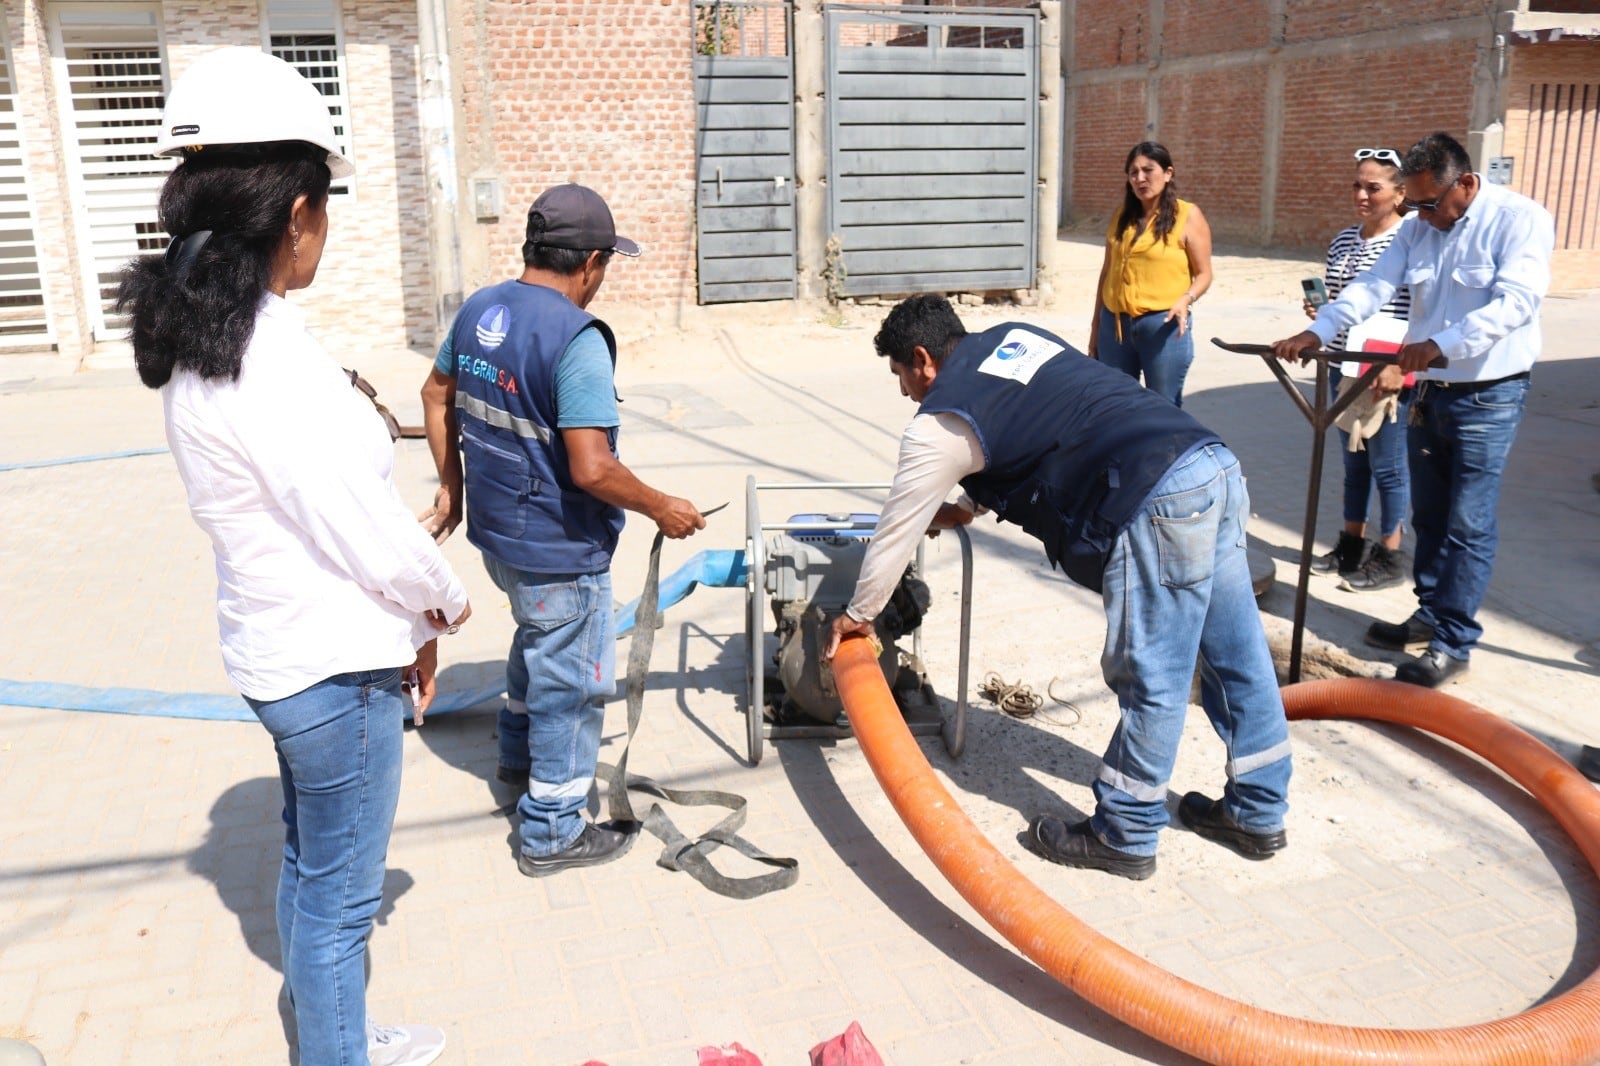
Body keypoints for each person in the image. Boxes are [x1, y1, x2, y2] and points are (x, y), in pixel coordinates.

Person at [120, 48, 468, 1066]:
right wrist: (441, 611)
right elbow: (361, 530)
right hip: (332, 670)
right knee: (340, 902)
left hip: (282, 655)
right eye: (325, 211)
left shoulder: (214, 339)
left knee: (310, 865)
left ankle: (342, 1037)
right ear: (299, 212)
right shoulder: (266, 364)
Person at [826, 295, 1292, 881]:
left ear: (922, 359)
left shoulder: (939, 422)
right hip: (1211, 466)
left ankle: (1125, 832)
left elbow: (895, 528)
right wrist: (966, 504)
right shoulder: (1017, 337)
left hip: (1155, 501)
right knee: (1237, 655)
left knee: (1154, 673)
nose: (903, 393)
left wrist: (858, 613)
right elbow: (1054, 418)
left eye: (900, 375)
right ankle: (1258, 809)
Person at [420, 184, 705, 878]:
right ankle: (551, 830)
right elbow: (591, 467)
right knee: (572, 685)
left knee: (537, 637)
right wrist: (663, 505)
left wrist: (451, 487)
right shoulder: (576, 339)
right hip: (556, 546)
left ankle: (517, 756)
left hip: (498, 535)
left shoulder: (483, 307)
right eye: (607, 267)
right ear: (592, 262)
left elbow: (435, 395)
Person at [1272, 132, 1554, 688]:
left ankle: (1453, 641)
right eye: (1415, 204)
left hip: (1488, 393)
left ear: (1466, 184)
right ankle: (1429, 612)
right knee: (1428, 515)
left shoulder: (1520, 220)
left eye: (1429, 204)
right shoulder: (1421, 225)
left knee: (1468, 522)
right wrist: (1318, 330)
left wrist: (1440, 344)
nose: (1420, 216)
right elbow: (1370, 287)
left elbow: (1517, 303)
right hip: (1431, 393)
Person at [1305, 148, 1415, 592]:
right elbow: (1340, 301)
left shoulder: (1411, 240)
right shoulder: (1345, 239)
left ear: (1400, 192)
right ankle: (1352, 544)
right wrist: (1320, 310)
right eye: (1357, 185)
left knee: (1387, 466)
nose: (1363, 195)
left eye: (1374, 187)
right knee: (1354, 464)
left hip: (1386, 367)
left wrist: (1400, 365)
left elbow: (1422, 311)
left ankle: (1390, 554)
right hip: (1342, 363)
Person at [1089, 141, 1214, 406]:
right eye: (1133, 172)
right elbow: (1107, 273)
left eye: (1148, 170)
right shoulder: (1121, 216)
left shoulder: (1188, 215)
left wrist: (1186, 299)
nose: (1140, 178)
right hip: (1115, 327)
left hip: (1163, 326)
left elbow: (1204, 274)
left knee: (1162, 409)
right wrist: (1096, 327)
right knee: (1115, 406)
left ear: (1168, 173)